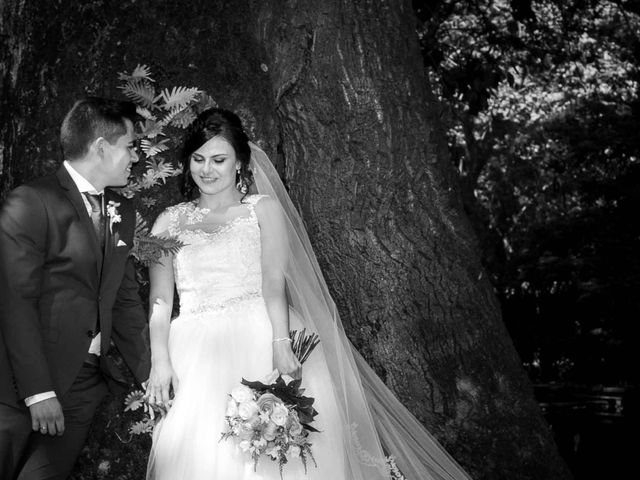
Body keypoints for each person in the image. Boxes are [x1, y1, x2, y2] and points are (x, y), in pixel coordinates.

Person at [144, 108, 472, 480]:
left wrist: (282, 342)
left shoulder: (261, 211)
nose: (207, 169)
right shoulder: (168, 222)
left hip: (259, 335)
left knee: (272, 459)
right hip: (194, 353)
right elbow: (160, 302)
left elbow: (273, 283)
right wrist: (160, 362)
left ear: (240, 163)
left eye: (219, 159)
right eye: (198, 159)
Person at [0, 97, 151, 479]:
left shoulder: (123, 211)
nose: (135, 157)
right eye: (129, 146)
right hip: (18, 390)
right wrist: (38, 391)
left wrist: (149, 376)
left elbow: (123, 298)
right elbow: (15, 300)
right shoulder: (31, 202)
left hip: (83, 388)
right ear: (101, 148)